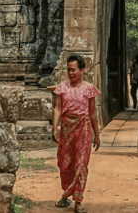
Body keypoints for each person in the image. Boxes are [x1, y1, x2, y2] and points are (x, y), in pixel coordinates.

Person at [52, 53, 101, 212]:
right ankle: (66, 194)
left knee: (81, 165)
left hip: (83, 129)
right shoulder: (62, 87)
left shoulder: (89, 89)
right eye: (68, 70)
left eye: (74, 70)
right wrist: (55, 127)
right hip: (66, 129)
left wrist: (96, 134)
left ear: (82, 70)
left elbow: (93, 113)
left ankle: (78, 201)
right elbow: (58, 108)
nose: (71, 73)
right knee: (65, 164)